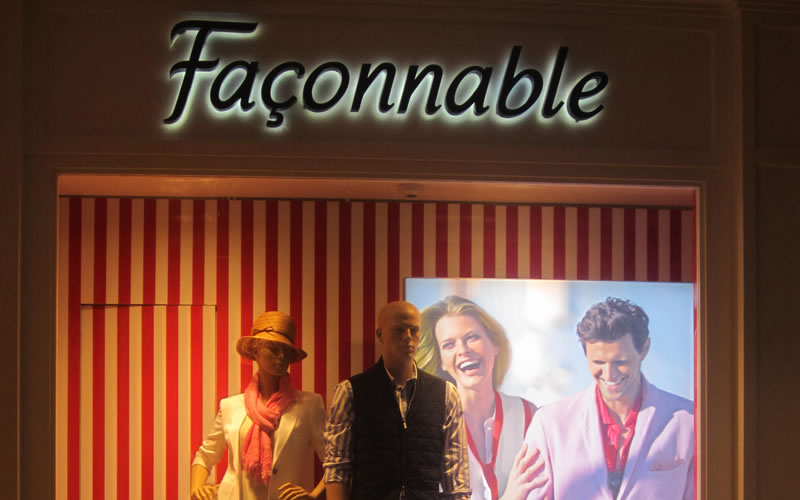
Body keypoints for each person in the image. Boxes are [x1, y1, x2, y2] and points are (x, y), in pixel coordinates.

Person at [524, 298, 695, 500]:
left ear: (644, 349)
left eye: (620, 362)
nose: (609, 374)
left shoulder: (689, 421)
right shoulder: (549, 424)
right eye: (598, 362)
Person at [322, 300, 472, 500]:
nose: (408, 337)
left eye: (414, 330)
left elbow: (456, 476)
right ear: (380, 335)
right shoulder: (350, 392)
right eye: (398, 330)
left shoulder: (446, 394)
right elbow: (337, 468)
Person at [417, 295, 545, 500]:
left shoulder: (529, 415)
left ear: (495, 344)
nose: (463, 350)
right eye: (449, 344)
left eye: (472, 337)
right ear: (441, 362)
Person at [190, 311, 327, 500]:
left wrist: (314, 495)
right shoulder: (231, 407)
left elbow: (335, 461)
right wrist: (196, 488)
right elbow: (205, 455)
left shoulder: (308, 406)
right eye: (274, 348)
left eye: (286, 351)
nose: (282, 356)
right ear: (255, 351)